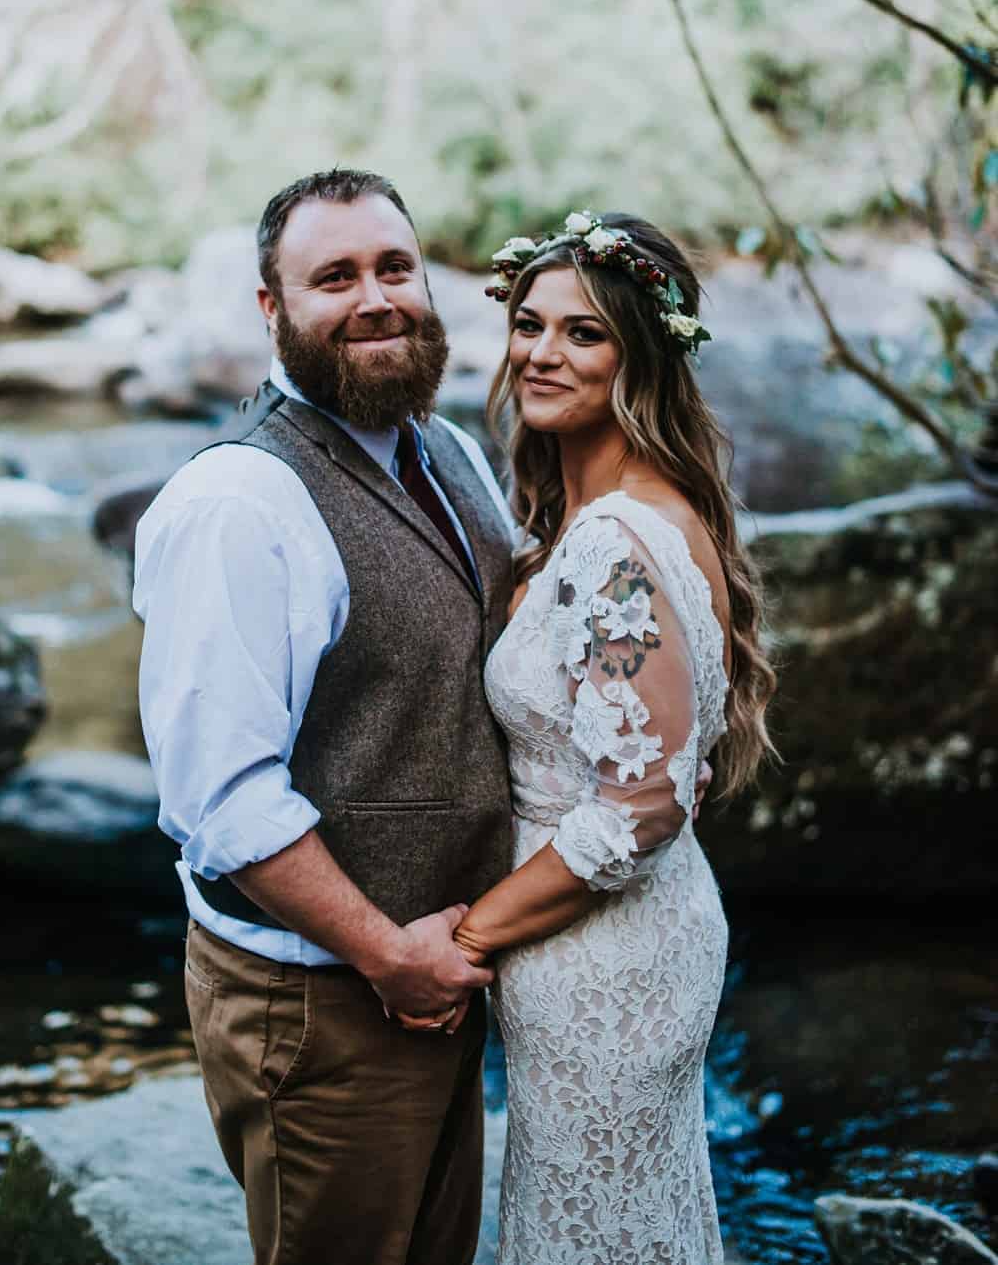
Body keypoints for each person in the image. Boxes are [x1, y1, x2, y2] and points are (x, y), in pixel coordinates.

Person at [133, 168, 520, 1265]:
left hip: (436, 973)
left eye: (395, 267)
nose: (376, 298)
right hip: (321, 998)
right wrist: (386, 954)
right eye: (334, 277)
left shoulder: (445, 452)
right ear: (272, 310)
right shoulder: (236, 504)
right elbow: (221, 796)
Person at [401, 211, 777, 1264]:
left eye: (584, 334)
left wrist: (468, 939)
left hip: (602, 958)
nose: (543, 353)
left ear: (643, 353)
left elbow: (640, 809)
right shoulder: (599, 512)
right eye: (531, 324)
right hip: (592, 939)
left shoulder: (616, 541)